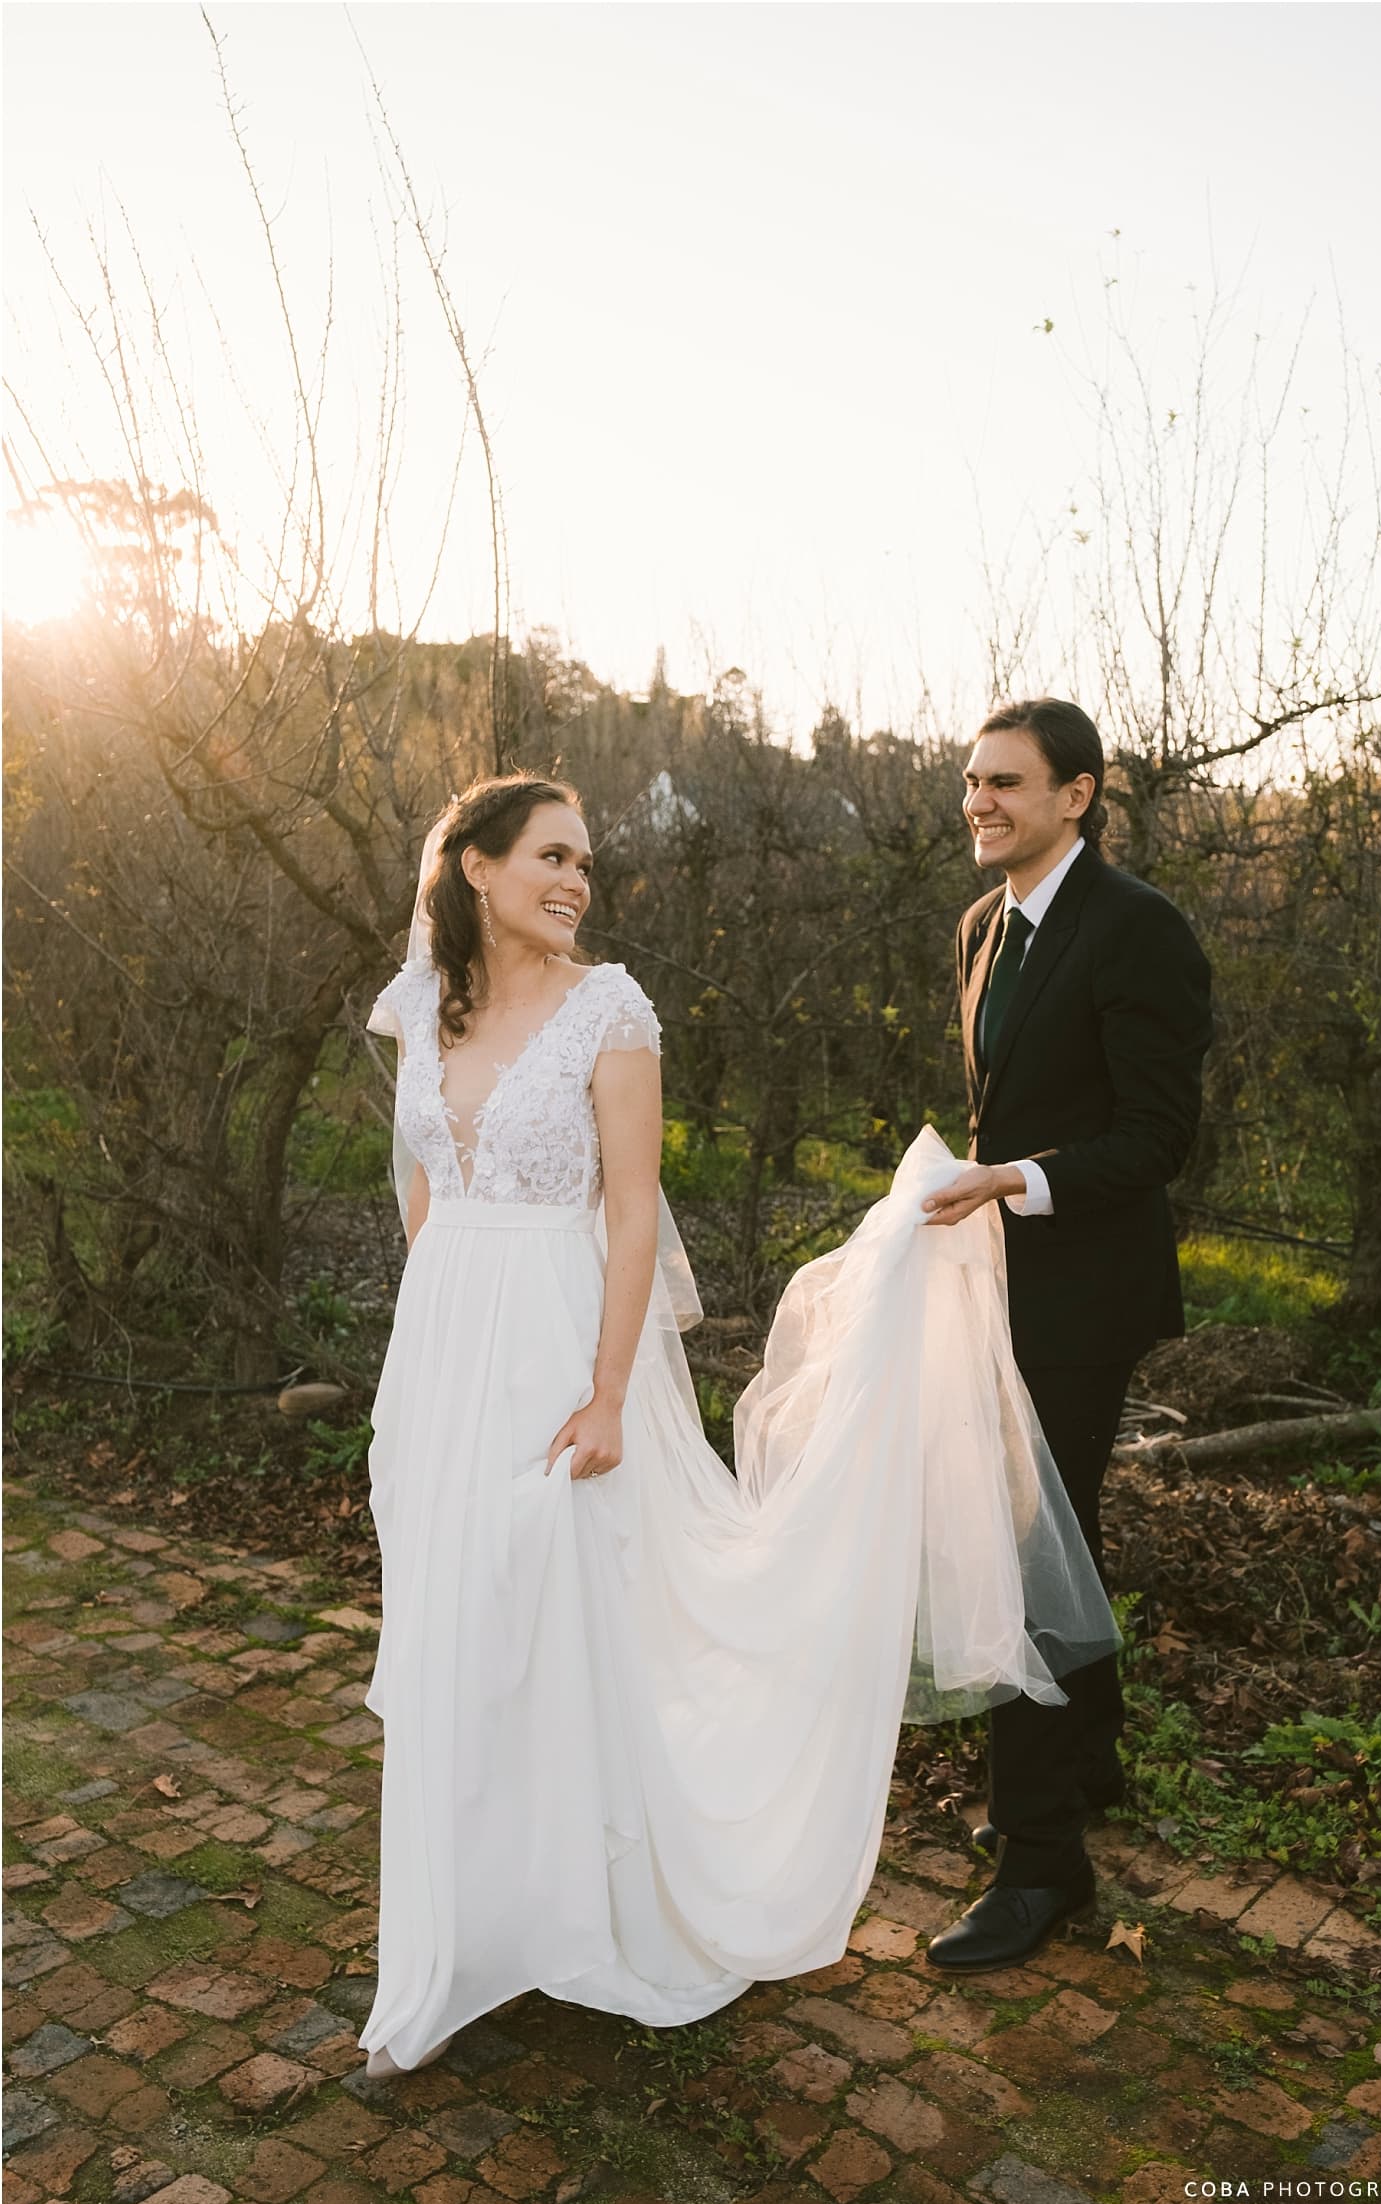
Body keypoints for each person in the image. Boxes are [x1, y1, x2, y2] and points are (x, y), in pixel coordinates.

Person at [355, 770, 1120, 2073]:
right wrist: (419, 1362)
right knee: (458, 1627)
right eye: (550, 854)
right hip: (441, 1352)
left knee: (569, 1620)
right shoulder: (425, 1007)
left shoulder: (612, 1007)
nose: (575, 881)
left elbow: (636, 1213)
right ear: (473, 865)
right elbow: (425, 1191)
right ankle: (464, 1928)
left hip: (559, 1338)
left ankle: (597, 1913)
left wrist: (605, 1391)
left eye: (587, 863)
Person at [919, 698, 1213, 1971]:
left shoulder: (1140, 931)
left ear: (1078, 795)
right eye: (973, 781)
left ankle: (1042, 1864)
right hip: (1001, 1281)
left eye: (1008, 783)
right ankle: (1086, 1764)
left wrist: (1014, 1179)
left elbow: (1157, 1140)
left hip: (1089, 1292)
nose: (981, 801)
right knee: (1059, 1522)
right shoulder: (982, 926)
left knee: (1023, 1543)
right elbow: (1010, 1100)